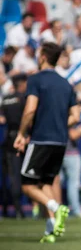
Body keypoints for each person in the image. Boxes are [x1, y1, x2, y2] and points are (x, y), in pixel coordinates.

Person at [14, 42, 79, 243]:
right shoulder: (66, 83)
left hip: (41, 138)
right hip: (61, 141)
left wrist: (21, 134)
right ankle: (51, 230)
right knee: (45, 183)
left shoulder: (35, 79)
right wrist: (60, 122)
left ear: (42, 57)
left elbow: (30, 109)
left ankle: (56, 207)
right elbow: (75, 116)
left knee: (27, 184)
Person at [0, 74, 27, 218]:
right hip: (23, 139)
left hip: (9, 139)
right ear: (22, 84)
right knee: (23, 176)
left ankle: (9, 208)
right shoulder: (24, 100)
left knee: (11, 175)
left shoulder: (5, 99)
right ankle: (20, 210)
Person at [62, 110, 81, 218]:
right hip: (70, 154)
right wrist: (80, 131)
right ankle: (76, 210)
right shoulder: (68, 118)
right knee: (73, 184)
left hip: (60, 152)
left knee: (58, 182)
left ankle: (54, 211)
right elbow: (72, 135)